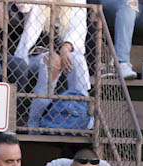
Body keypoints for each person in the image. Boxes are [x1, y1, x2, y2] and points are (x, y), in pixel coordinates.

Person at [14, 0, 91, 129]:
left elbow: (79, 28)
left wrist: (66, 47)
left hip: (62, 53)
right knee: (53, 60)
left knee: (77, 59)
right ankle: (34, 123)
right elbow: (23, 6)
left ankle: (82, 114)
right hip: (34, 55)